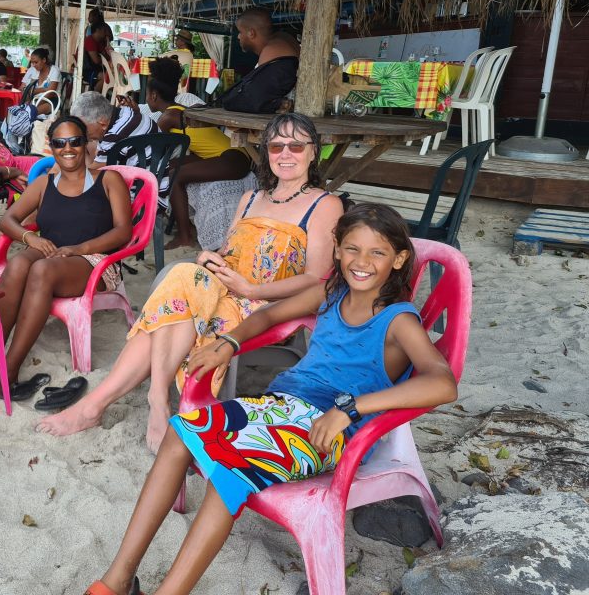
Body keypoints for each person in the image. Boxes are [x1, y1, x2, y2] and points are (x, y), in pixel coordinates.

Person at [79, 203, 458, 595]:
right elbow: (269, 316)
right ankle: (116, 581)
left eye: (377, 252)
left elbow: (444, 383)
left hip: (327, 431)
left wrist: (350, 408)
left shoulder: (398, 320)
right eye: (352, 248)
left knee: (229, 474)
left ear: (399, 259)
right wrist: (229, 342)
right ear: (337, 249)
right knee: (178, 434)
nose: (361, 262)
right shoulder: (332, 292)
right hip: (280, 405)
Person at [38, 113, 343, 451]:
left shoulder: (325, 205)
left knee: (173, 304)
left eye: (295, 146)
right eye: (276, 146)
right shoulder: (251, 198)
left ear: (313, 152)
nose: (285, 154)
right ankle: (153, 398)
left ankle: (110, 404)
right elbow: (229, 251)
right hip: (222, 286)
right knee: (184, 275)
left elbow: (316, 280)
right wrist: (211, 257)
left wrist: (251, 289)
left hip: (267, 304)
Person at [0, 116, 132, 402]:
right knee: (18, 264)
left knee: (41, 270)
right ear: (51, 147)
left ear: (86, 143)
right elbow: (8, 220)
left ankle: (9, 371)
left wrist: (80, 248)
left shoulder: (108, 180)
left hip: (95, 260)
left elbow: (124, 231)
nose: (68, 149)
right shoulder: (44, 184)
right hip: (53, 252)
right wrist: (31, 238)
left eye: (75, 141)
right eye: (60, 143)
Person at [145, 57, 252, 249]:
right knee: (171, 166)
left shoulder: (167, 117)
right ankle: (185, 226)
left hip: (233, 159)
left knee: (174, 176)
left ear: (153, 96)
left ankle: (184, 236)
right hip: (229, 155)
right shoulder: (179, 110)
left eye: (146, 95)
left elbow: (151, 149)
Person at [221, 9, 301, 113]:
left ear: (251, 33)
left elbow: (255, 96)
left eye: (240, 32)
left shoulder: (272, 49)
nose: (238, 36)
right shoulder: (282, 40)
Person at [70, 90, 159, 167]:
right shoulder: (126, 111)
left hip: (147, 179)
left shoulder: (113, 137)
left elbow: (92, 174)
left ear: (103, 124)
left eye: (84, 129)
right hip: (157, 169)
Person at [20, 47, 62, 115]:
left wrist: (33, 104)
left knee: (30, 113)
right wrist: (43, 89)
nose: (33, 65)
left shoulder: (54, 71)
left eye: (36, 62)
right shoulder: (33, 70)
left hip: (50, 101)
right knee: (24, 111)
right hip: (34, 100)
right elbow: (27, 90)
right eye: (32, 62)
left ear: (44, 60)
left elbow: (50, 93)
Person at [82, 21, 111, 91]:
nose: (106, 33)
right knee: (106, 77)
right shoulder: (90, 41)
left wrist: (108, 45)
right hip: (87, 70)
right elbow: (96, 60)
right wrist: (105, 59)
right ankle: (95, 95)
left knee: (113, 76)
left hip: (96, 69)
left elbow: (108, 57)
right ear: (98, 30)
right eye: (104, 31)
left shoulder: (99, 42)